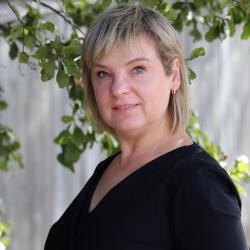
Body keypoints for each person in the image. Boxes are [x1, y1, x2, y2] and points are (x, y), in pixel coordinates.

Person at [44, 4, 248, 250]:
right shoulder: (107, 169)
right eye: (103, 73)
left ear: (173, 75)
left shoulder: (198, 183)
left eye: (137, 69)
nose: (118, 88)